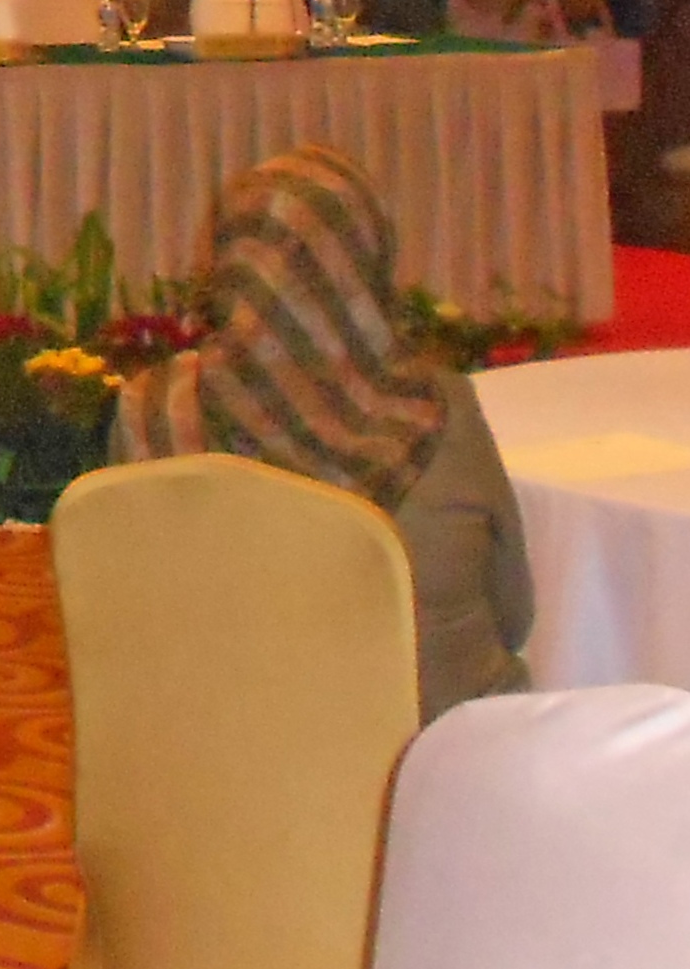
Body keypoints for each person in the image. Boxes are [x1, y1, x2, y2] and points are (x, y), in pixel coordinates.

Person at [116, 144, 534, 722]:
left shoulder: (151, 413)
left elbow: (131, 618)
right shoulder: (442, 410)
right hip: (442, 754)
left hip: (226, 751)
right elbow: (515, 612)